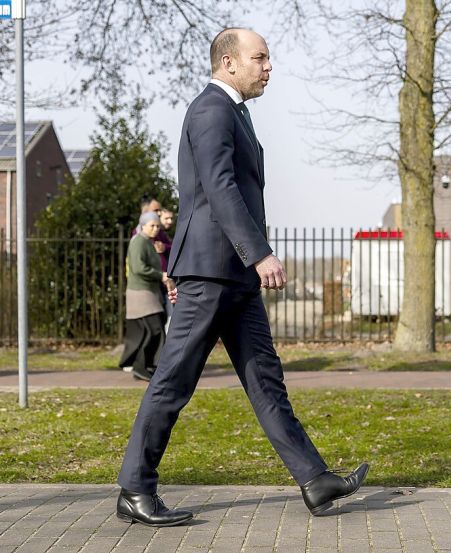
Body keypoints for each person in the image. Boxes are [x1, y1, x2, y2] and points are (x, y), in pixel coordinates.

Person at [116, 28, 368, 528]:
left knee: (265, 380)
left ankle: (314, 479)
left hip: (235, 278)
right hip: (211, 272)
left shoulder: (237, 113)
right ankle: (135, 488)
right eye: (260, 58)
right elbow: (220, 187)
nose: (268, 67)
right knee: (173, 381)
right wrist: (260, 254)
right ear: (228, 63)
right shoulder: (211, 109)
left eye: (268, 58)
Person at [119, 212, 173, 381]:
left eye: (158, 226)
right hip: (140, 293)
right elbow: (138, 268)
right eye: (152, 225)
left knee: (155, 327)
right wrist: (161, 275)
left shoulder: (149, 242)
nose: (156, 229)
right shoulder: (139, 242)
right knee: (155, 328)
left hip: (149, 292)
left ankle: (147, 365)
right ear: (143, 226)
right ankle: (141, 366)